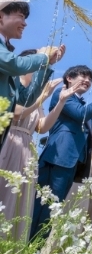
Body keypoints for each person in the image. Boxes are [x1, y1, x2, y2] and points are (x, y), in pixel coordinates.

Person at [30, 66, 92, 240]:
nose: (87, 80)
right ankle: (27, 249)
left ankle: (35, 251)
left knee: (53, 211)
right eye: (83, 76)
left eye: (90, 78)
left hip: (72, 165)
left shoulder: (81, 106)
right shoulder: (63, 95)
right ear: (69, 78)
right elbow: (82, 114)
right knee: (43, 209)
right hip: (57, 159)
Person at [0, 54, 79, 241]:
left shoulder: (36, 95)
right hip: (9, 142)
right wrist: (43, 96)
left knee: (20, 201)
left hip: (27, 149)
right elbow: (16, 113)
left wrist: (60, 101)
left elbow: (42, 127)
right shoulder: (12, 84)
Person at [0, 0, 64, 150]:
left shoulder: (7, 54)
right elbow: (15, 64)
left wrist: (46, 64)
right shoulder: (10, 60)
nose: (25, 23)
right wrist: (43, 57)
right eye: (21, 16)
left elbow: (26, 98)